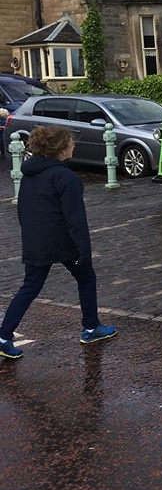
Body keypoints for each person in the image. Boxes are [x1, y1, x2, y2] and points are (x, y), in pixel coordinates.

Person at [0, 126, 117, 359]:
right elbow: (75, 218)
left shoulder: (30, 173)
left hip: (37, 240)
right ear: (61, 149)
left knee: (30, 287)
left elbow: (23, 208)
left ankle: (3, 337)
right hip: (63, 241)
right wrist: (84, 249)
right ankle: (91, 327)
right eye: (70, 143)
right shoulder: (66, 177)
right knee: (86, 277)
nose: (73, 146)